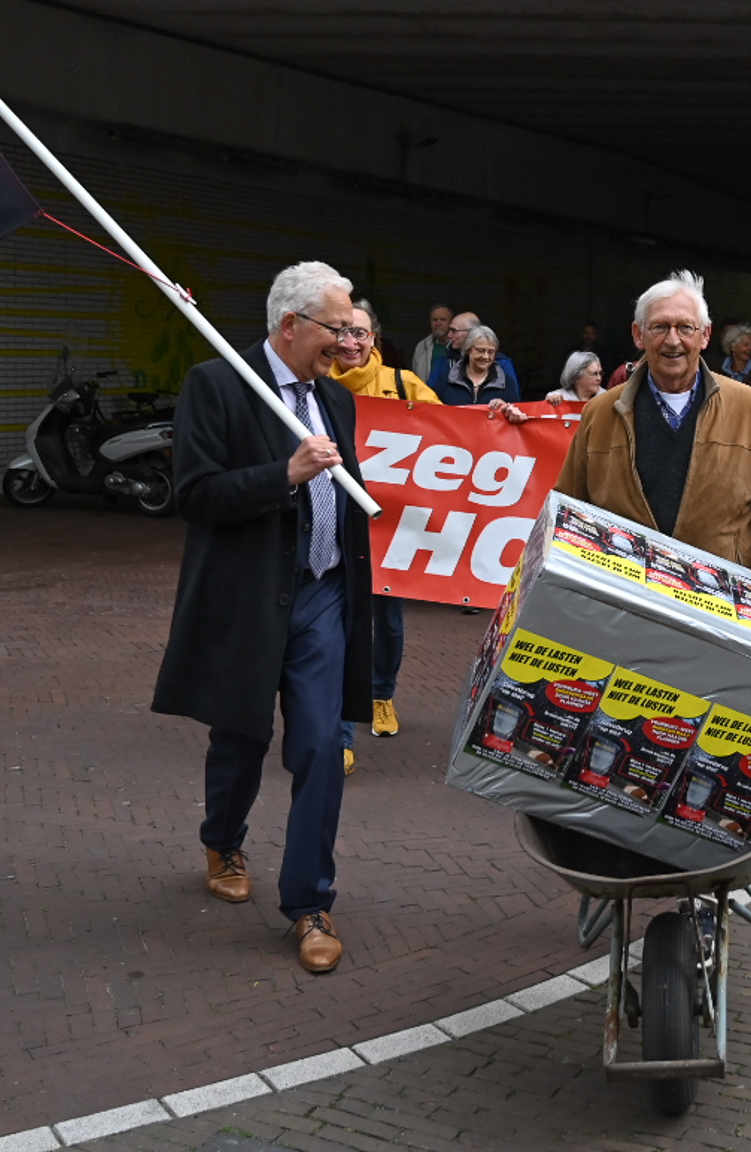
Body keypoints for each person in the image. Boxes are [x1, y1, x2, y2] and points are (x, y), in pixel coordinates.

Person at [152, 261, 372, 973]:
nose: (347, 341)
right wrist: (285, 476)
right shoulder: (217, 386)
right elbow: (195, 494)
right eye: (337, 327)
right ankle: (223, 837)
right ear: (290, 325)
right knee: (239, 737)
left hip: (322, 596)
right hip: (250, 598)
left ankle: (309, 903)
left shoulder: (336, 401)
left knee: (318, 746)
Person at [555, 270, 751, 578]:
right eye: (659, 327)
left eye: (686, 327)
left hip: (719, 607)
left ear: (705, 335)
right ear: (638, 334)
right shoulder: (600, 413)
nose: (673, 341)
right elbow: (568, 511)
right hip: (624, 605)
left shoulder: (749, 407)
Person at [330, 299, 435, 765]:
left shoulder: (402, 384)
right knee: (334, 625)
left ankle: (380, 695)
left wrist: (502, 417)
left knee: (387, 622)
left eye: (360, 334)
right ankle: (341, 732)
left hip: (388, 528)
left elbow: (456, 437)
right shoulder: (313, 385)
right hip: (330, 526)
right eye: (342, 333)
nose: (351, 343)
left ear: (375, 338)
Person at [432, 324, 519, 407]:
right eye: (480, 350)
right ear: (468, 350)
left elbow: (516, 415)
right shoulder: (447, 378)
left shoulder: (507, 383)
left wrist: (506, 408)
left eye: (491, 352)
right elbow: (433, 410)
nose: (486, 356)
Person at [410, 303, 453, 385]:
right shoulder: (421, 347)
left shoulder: (459, 347)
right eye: (434, 320)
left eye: (443, 319)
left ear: (451, 322)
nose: (438, 323)